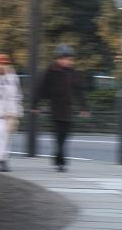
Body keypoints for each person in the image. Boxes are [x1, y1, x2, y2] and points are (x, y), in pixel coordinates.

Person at [34, 44, 89, 172]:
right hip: (55, 108)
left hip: (68, 108)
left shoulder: (73, 72)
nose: (69, 62)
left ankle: (58, 156)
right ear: (58, 59)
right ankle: (61, 161)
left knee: (65, 135)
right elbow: (41, 88)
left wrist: (84, 107)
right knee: (58, 135)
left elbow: (80, 90)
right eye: (66, 59)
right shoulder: (50, 71)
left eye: (70, 59)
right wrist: (35, 105)